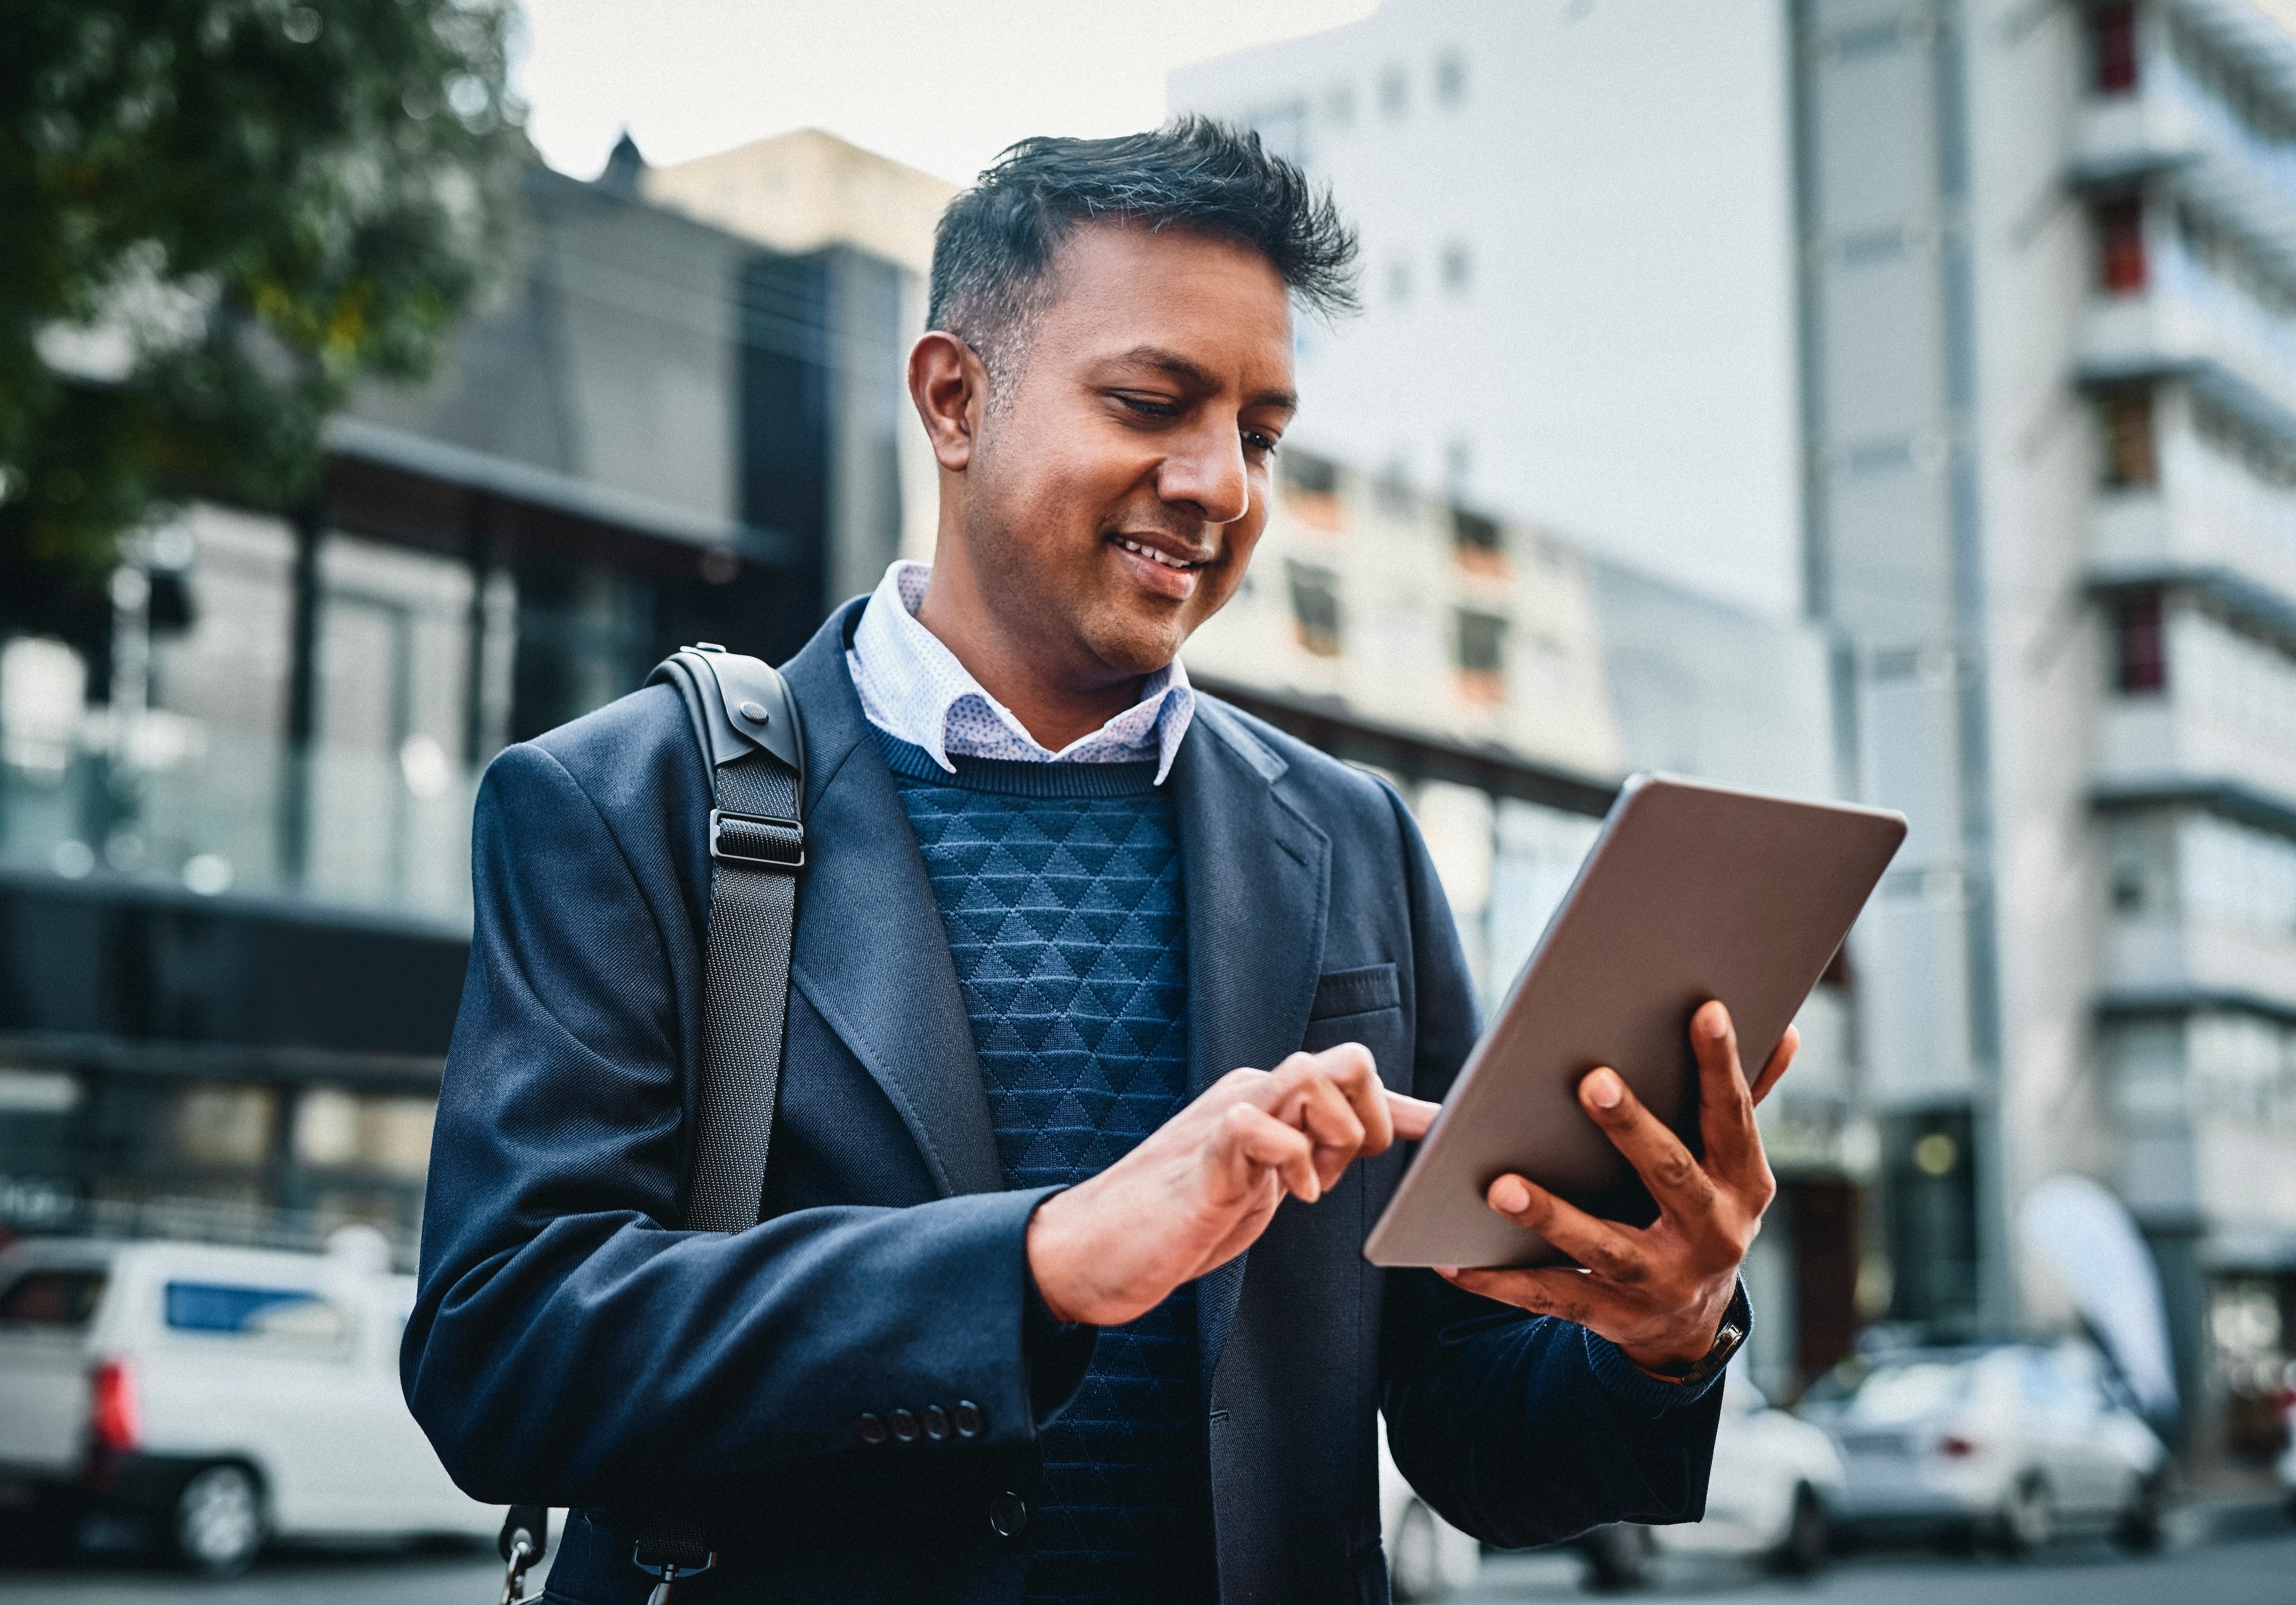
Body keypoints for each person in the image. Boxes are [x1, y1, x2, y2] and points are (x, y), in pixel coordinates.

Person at [403, 119, 1793, 1605]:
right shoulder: (622, 804)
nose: (1220, 485)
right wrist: (1046, 1262)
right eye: (1151, 402)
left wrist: (1662, 1331)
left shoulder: (1352, 840)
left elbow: (1472, 1436)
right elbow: (504, 1349)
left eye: (1260, 433)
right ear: (952, 396)